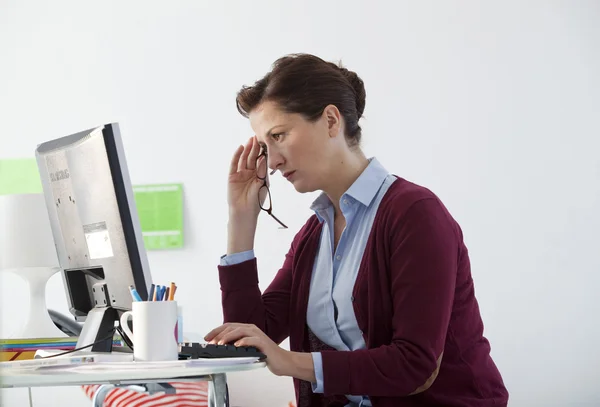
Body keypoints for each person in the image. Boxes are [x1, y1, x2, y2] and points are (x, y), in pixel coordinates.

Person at [204, 53, 509, 407]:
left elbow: (415, 364)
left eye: (279, 136)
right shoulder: (314, 235)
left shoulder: (414, 214)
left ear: (331, 120)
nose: (272, 162)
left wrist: (291, 362)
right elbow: (251, 336)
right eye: (264, 146)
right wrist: (241, 216)